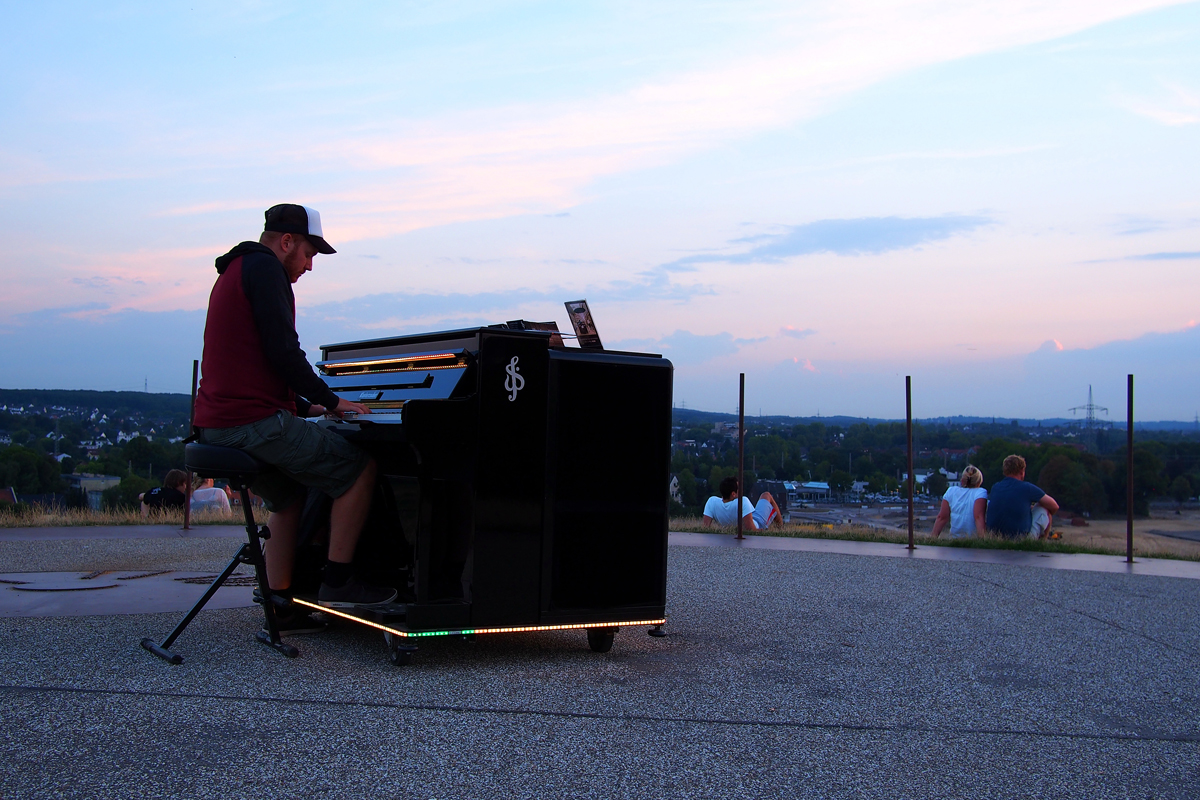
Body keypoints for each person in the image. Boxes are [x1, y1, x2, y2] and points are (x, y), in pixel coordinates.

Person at [192, 203, 393, 635]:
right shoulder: (267, 272)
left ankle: (281, 604)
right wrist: (333, 401)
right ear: (287, 242)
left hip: (219, 420)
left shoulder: (235, 271)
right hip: (249, 423)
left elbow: (254, 365)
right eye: (308, 254)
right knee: (360, 467)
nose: (310, 265)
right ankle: (340, 582)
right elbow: (284, 351)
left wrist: (306, 407)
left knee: (287, 499)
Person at [985, 454, 1060, 539]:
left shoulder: (995, 487)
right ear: (1021, 471)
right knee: (1044, 508)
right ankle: (1042, 543)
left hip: (995, 537)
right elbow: (1054, 506)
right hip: (1020, 538)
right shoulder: (1027, 488)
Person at [702, 477, 783, 531]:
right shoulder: (742, 501)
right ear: (733, 494)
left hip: (748, 516)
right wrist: (760, 531)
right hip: (757, 522)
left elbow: (705, 528)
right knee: (767, 495)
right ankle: (780, 528)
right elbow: (751, 530)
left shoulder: (712, 501)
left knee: (764, 496)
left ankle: (780, 528)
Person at [931, 465, 987, 538]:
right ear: (979, 481)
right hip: (973, 540)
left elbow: (942, 518)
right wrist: (983, 540)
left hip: (954, 540)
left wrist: (932, 538)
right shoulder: (980, 493)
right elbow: (978, 517)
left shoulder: (951, 491)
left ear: (962, 480)